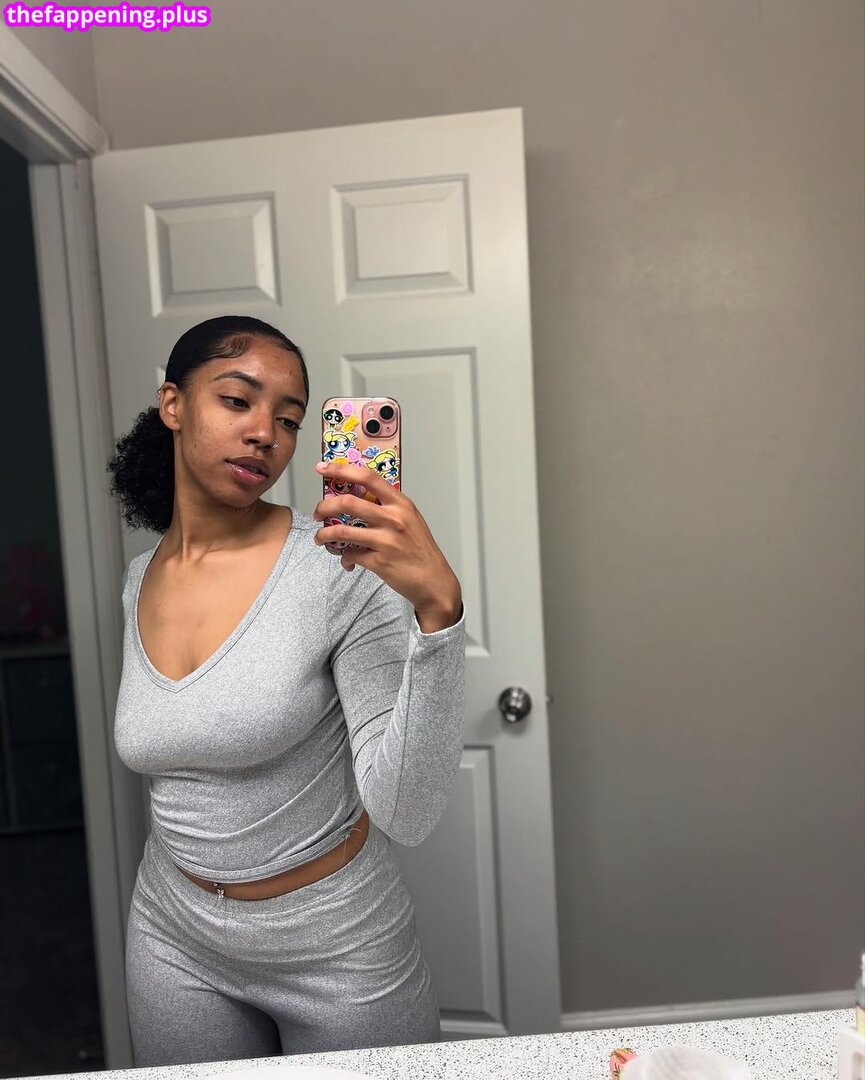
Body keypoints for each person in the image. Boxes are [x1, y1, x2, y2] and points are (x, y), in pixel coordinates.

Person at [107, 315, 465, 1065]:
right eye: (237, 401)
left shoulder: (338, 569)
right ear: (173, 404)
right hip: (173, 937)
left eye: (290, 419)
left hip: (338, 949)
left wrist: (437, 616)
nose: (265, 433)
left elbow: (409, 812)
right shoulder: (139, 579)